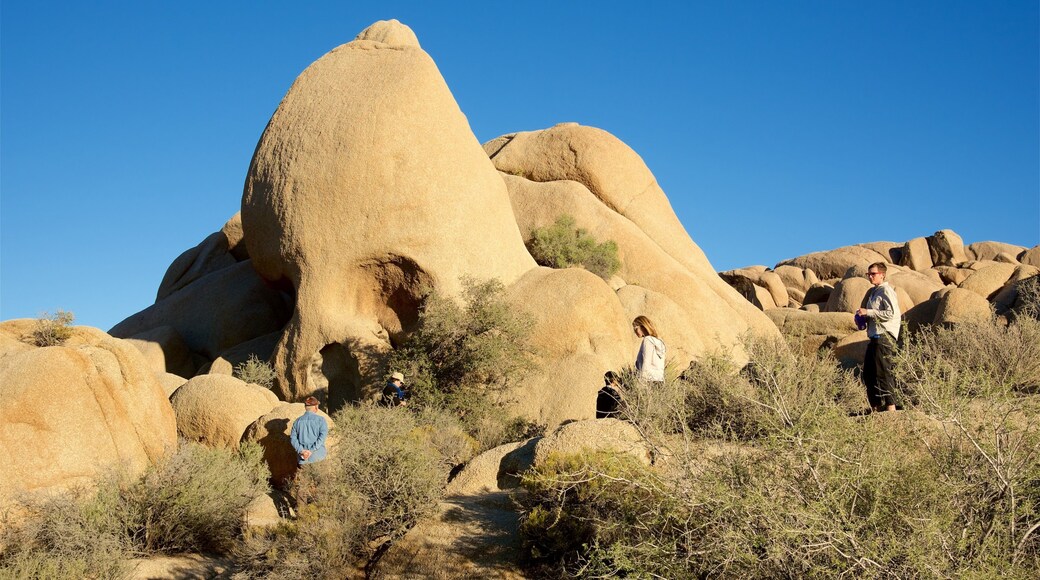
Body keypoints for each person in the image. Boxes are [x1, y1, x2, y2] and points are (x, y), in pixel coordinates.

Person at [856, 262, 902, 413]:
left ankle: (891, 408)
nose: (870, 276)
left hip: (884, 336)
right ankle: (875, 408)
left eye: (873, 274)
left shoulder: (886, 291)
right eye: (868, 274)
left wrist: (869, 312)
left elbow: (891, 314)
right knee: (869, 373)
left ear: (882, 275)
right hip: (874, 336)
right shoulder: (874, 292)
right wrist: (862, 318)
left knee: (883, 371)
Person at [290, 396, 328, 466]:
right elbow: (322, 437)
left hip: (303, 460)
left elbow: (293, 439)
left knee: (303, 477)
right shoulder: (321, 420)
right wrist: (311, 450)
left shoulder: (297, 421)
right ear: (316, 407)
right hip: (318, 457)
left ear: (305, 407)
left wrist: (302, 451)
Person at [632, 315, 666, 382]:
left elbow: (646, 362)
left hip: (649, 381)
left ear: (643, 327)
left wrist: (641, 381)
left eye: (636, 328)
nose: (634, 331)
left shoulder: (647, 340)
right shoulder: (658, 341)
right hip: (659, 380)